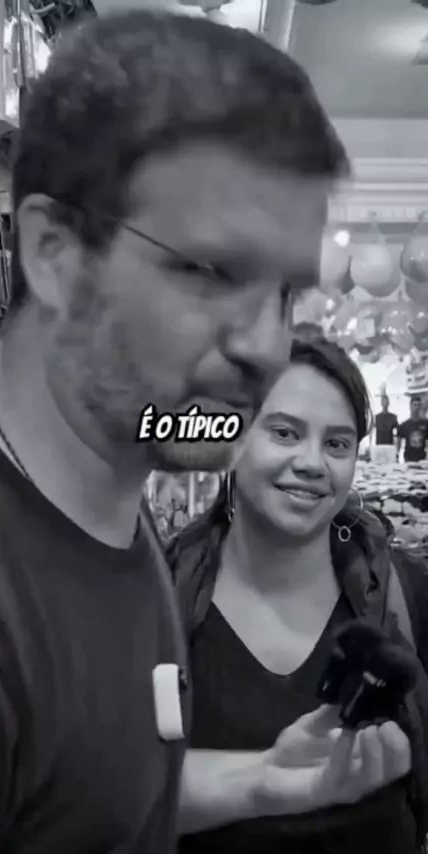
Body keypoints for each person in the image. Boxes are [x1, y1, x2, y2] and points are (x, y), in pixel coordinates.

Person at [0, 9, 349, 854]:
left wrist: (255, 781)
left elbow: (78, 794)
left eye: (286, 294)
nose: (266, 346)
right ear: (55, 254)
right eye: (212, 271)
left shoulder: (113, 499)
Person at [168, 338, 428, 854]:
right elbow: (91, 797)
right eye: (285, 432)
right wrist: (256, 784)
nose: (312, 462)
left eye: (337, 444)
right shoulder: (157, 597)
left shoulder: (404, 595)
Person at [397, 395, 428, 463]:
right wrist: (397, 455)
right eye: (414, 405)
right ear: (410, 406)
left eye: (418, 405)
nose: (416, 408)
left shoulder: (426, 424)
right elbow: (398, 443)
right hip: (408, 459)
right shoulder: (404, 425)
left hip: (422, 459)